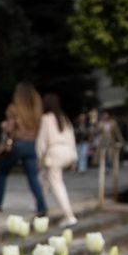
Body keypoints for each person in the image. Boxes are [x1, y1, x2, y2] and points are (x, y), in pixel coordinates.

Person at [0, 82, 47, 216]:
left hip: (18, 145)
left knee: (3, 172)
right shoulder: (37, 110)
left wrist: (4, 125)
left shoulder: (14, 108)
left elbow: (10, 128)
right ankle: (42, 206)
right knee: (33, 177)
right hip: (32, 145)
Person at [36, 94, 79, 227]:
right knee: (44, 178)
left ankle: (69, 215)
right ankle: (40, 206)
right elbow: (72, 137)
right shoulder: (64, 118)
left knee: (56, 183)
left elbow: (42, 140)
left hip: (54, 153)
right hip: (68, 151)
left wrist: (39, 156)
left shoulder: (46, 118)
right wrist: (74, 158)